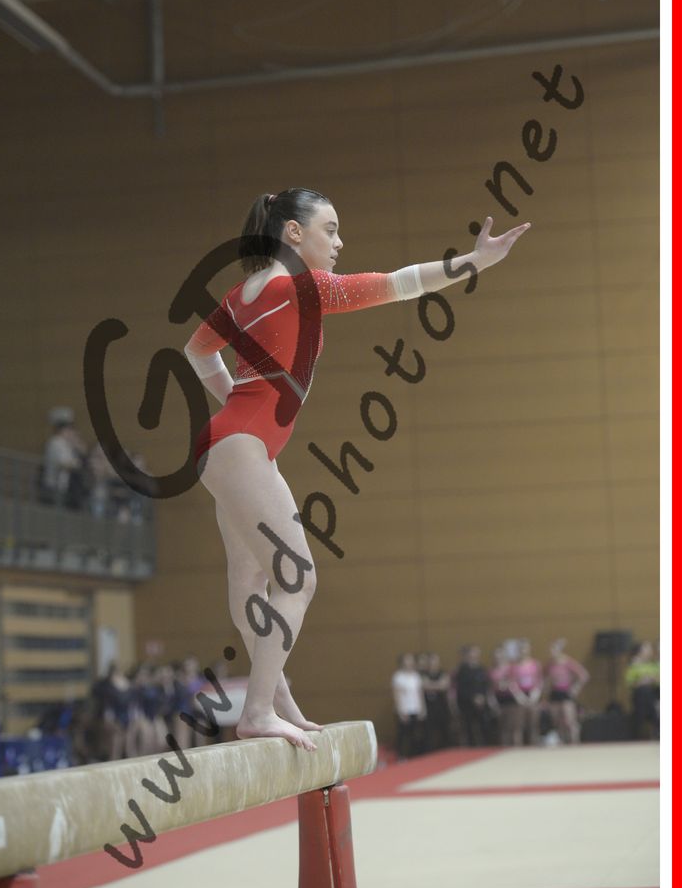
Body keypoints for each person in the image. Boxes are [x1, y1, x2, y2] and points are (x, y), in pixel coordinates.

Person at [183, 189, 530, 750]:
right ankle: (257, 711)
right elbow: (400, 283)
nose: (340, 242)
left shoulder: (242, 293)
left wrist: (234, 408)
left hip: (229, 443)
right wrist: (474, 262)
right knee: (297, 579)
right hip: (241, 444)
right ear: (293, 232)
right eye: (331, 229)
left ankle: (277, 705)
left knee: (251, 584)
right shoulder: (302, 287)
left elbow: (197, 352)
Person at [544, 638, 590, 743]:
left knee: (569, 721)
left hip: (565, 693)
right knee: (557, 721)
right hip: (554, 693)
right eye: (550, 650)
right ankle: (562, 742)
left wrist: (575, 688)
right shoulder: (550, 664)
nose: (551, 652)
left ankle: (574, 742)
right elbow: (545, 677)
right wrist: (546, 688)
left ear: (559, 650)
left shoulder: (567, 662)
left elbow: (584, 675)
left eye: (553, 649)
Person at [454, 644, 492, 746]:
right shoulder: (462, 670)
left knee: (484, 725)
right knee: (468, 727)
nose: (474, 655)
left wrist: (482, 697)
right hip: (467, 703)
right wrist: (473, 697)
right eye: (472, 652)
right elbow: (461, 688)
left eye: (476, 652)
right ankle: (471, 748)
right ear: (468, 654)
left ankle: (485, 746)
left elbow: (486, 685)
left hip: (482, 702)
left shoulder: (482, 669)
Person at [392, 652, 427, 759]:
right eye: (407, 660)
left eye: (411, 660)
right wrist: (400, 711)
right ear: (402, 662)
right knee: (403, 734)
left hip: (415, 708)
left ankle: (414, 755)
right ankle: (401, 755)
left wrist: (423, 708)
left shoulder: (416, 676)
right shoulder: (398, 676)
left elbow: (419, 693)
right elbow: (396, 695)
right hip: (405, 709)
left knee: (415, 733)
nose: (409, 662)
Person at [510, 639, 544, 746]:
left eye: (525, 648)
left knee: (533, 724)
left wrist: (535, 695)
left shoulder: (535, 664)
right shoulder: (514, 665)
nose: (523, 651)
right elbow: (512, 682)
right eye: (521, 648)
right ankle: (517, 747)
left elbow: (539, 681)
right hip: (519, 696)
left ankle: (534, 746)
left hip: (533, 695)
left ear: (529, 649)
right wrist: (519, 696)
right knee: (518, 725)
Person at [625, 640, 660, 740]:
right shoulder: (633, 666)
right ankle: (655, 722)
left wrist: (652, 680)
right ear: (639, 652)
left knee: (645, 693)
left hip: (655, 692)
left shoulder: (654, 665)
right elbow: (630, 684)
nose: (650, 651)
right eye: (646, 648)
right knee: (643, 692)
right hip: (641, 694)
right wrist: (642, 682)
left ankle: (641, 726)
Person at [489, 645, 520, 746]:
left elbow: (514, 682)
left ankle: (516, 747)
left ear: (504, 656)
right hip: (499, 699)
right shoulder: (491, 671)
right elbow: (490, 689)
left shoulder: (511, 668)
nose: (498, 657)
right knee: (503, 727)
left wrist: (507, 685)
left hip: (511, 697)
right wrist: (493, 704)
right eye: (495, 656)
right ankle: (504, 747)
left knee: (514, 726)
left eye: (500, 655)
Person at [422, 652, 452, 752]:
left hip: (442, 705)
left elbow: (444, 686)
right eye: (431, 660)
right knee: (429, 731)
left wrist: (431, 685)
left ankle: (447, 750)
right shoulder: (423, 674)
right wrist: (438, 685)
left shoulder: (443, 673)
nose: (433, 663)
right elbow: (424, 686)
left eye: (435, 660)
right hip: (428, 706)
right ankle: (429, 752)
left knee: (445, 729)